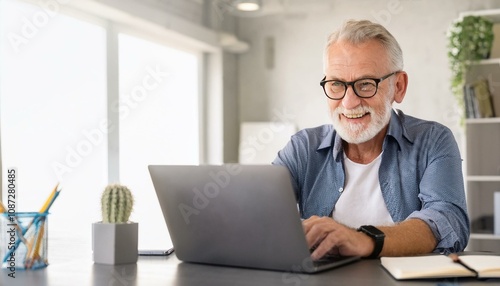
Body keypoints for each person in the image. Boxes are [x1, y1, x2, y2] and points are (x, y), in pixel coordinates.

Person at [272, 19, 469, 260]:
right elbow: (262, 210)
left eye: (365, 84)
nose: (349, 102)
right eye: (336, 84)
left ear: (398, 86)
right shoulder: (303, 147)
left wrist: (365, 240)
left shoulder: (433, 140)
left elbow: (447, 220)